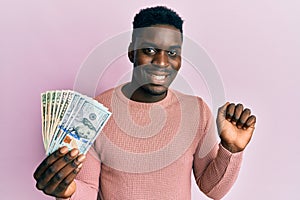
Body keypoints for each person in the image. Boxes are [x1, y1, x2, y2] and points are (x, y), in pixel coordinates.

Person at [34, 6, 256, 200]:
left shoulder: (197, 111)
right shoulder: (93, 113)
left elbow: (213, 189)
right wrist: (67, 191)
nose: (161, 62)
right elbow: (88, 191)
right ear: (132, 52)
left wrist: (231, 149)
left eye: (172, 53)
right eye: (149, 50)